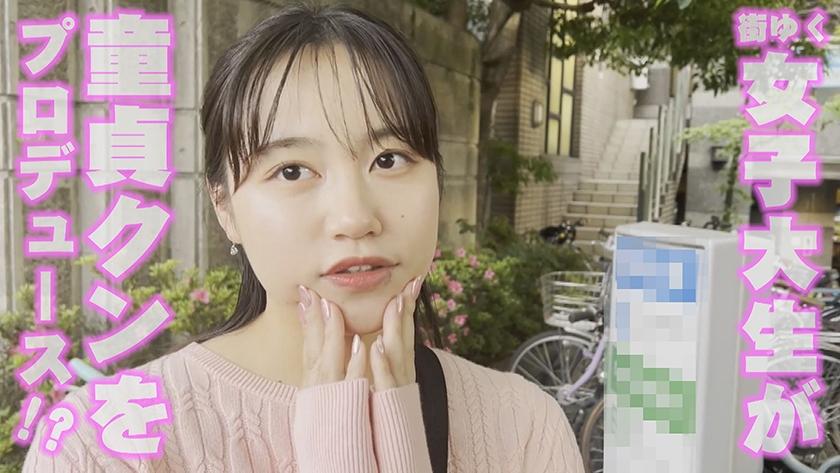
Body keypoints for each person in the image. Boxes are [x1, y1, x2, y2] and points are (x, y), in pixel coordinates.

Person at [23, 3, 584, 472]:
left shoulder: (523, 429)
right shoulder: (103, 447)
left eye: (389, 159)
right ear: (225, 208)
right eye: (291, 170)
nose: (355, 218)